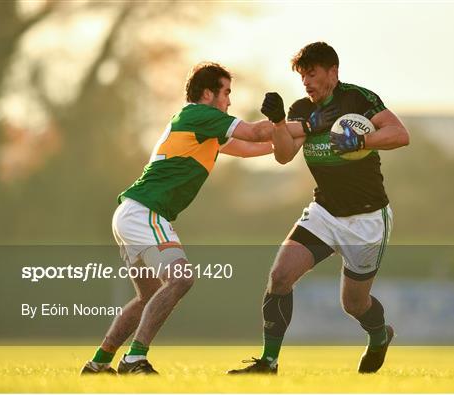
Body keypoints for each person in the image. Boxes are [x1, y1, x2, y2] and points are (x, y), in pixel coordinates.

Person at [80, 62, 278, 375]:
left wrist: (297, 136)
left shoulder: (204, 128)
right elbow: (256, 132)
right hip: (146, 211)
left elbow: (255, 148)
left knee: (146, 297)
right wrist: (285, 122)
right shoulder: (199, 115)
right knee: (181, 278)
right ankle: (135, 359)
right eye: (226, 92)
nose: (229, 100)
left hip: (131, 212)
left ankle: (99, 362)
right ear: (208, 93)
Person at [228, 42, 409, 375]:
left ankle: (380, 335)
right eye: (302, 77)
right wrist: (280, 122)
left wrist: (362, 140)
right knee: (280, 277)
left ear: (333, 72)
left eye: (312, 74)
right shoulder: (301, 109)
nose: (307, 82)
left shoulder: (358, 99)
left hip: (367, 218)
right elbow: (283, 155)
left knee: (353, 304)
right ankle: (268, 362)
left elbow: (400, 134)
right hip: (324, 212)